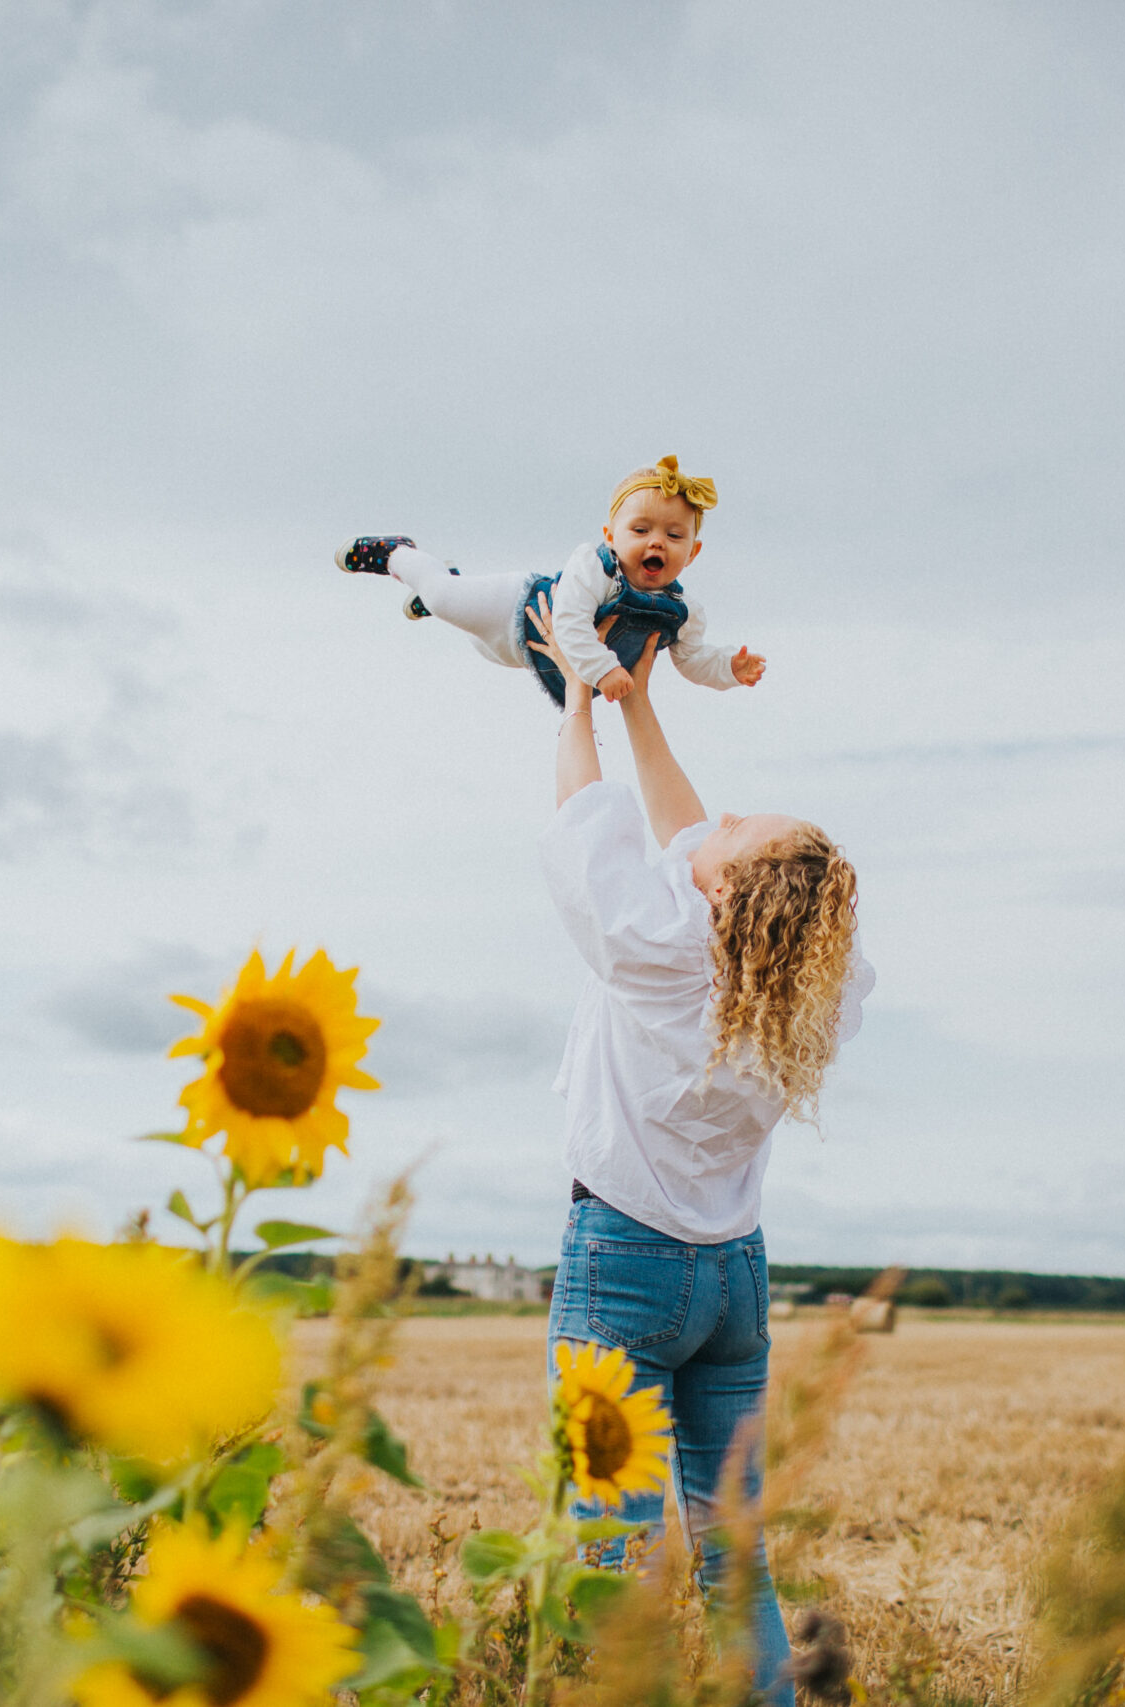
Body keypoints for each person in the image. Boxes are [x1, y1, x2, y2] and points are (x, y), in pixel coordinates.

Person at [528, 595, 867, 1707]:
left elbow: (587, 823)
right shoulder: (809, 1000)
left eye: (731, 834)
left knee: (606, 1552)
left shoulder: (655, 950)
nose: (713, 826)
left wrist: (578, 688)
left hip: (622, 1266)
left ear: (722, 896)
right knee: (739, 1555)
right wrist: (645, 706)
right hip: (732, 1284)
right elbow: (685, 834)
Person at [335, 456, 768, 707]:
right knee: (448, 600)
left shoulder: (683, 611)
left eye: (674, 536)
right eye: (640, 531)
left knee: (473, 639)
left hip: (522, 656)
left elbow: (691, 659)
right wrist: (602, 669)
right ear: (610, 536)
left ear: (692, 552)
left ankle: (442, 582)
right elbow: (571, 622)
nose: (657, 543)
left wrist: (727, 667)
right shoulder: (595, 569)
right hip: (515, 607)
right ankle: (398, 554)